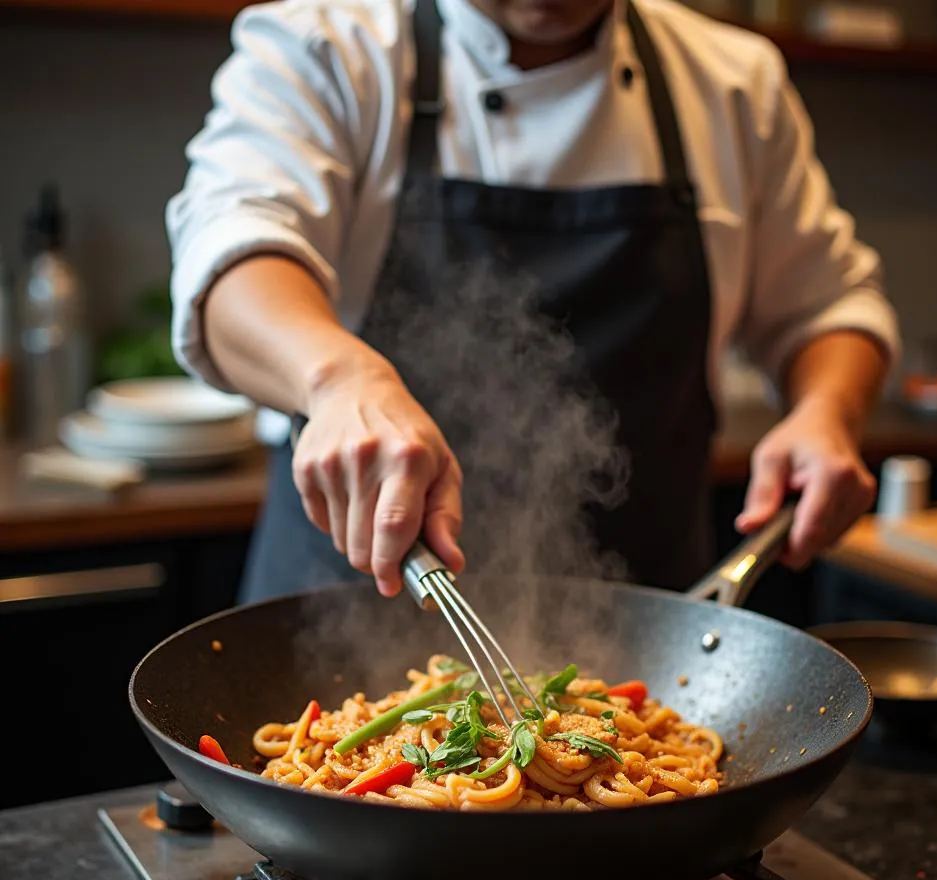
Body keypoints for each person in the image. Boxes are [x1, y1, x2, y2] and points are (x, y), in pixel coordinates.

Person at [167, 0, 900, 605]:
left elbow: (828, 307)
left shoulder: (733, 82)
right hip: (343, 616)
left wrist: (826, 412)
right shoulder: (328, 42)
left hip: (655, 640)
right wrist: (337, 378)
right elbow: (231, 254)